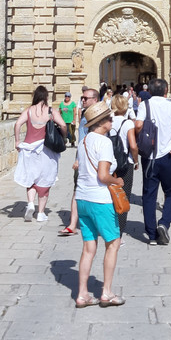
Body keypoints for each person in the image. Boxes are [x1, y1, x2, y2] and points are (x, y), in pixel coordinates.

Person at [73, 100, 125, 308]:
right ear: (101, 122)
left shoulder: (83, 142)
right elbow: (103, 176)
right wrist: (117, 181)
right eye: (109, 118)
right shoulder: (104, 142)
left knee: (88, 248)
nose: (112, 120)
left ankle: (82, 294)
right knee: (113, 243)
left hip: (82, 199)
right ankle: (107, 292)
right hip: (99, 200)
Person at [135, 77, 171, 246]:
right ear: (166, 90)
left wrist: (141, 136)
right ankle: (164, 223)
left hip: (149, 157)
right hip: (168, 156)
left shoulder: (145, 105)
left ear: (149, 91)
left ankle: (151, 236)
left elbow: (137, 125)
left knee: (149, 195)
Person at [13, 86, 68, 222]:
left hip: (29, 149)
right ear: (46, 97)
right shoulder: (51, 111)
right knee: (45, 179)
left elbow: (18, 124)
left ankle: (31, 203)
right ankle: (41, 213)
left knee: (31, 179)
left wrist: (17, 140)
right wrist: (64, 137)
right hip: (46, 150)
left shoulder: (29, 111)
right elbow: (63, 125)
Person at [59, 87, 99, 236]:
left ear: (95, 100)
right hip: (82, 159)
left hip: (97, 161)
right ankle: (72, 224)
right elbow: (82, 139)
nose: (82, 100)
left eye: (85, 98)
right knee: (77, 190)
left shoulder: (102, 117)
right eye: (82, 98)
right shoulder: (84, 115)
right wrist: (77, 159)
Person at [109, 94, 138, 241]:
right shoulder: (128, 124)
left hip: (108, 164)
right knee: (123, 196)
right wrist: (136, 160)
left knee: (109, 196)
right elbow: (133, 145)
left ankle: (107, 227)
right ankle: (118, 234)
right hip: (125, 164)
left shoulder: (107, 121)